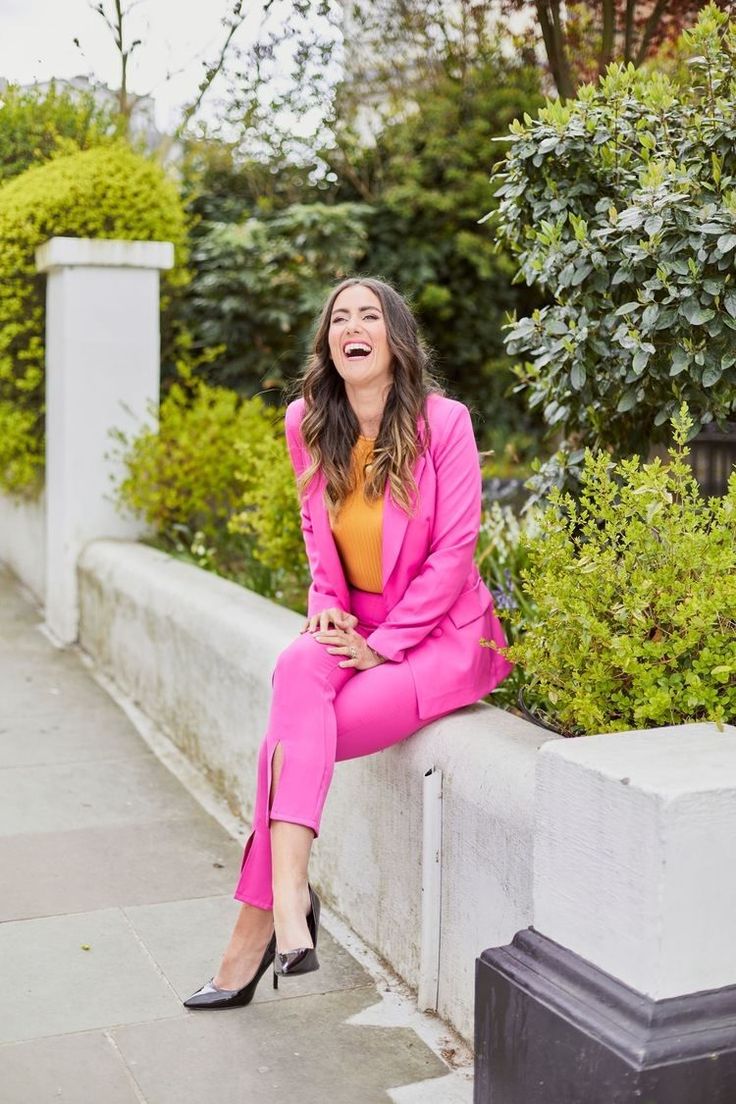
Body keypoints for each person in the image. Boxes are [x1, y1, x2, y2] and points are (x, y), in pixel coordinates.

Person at [183, 276, 514, 1009]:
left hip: (438, 638)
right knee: (298, 663)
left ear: (396, 341)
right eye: (340, 317)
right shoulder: (307, 421)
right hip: (356, 626)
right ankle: (291, 900)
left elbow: (455, 551)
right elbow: (317, 540)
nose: (352, 326)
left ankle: (262, 921)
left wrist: (385, 644)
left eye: (369, 315)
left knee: (286, 747)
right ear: (329, 342)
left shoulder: (443, 422)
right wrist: (331, 611)